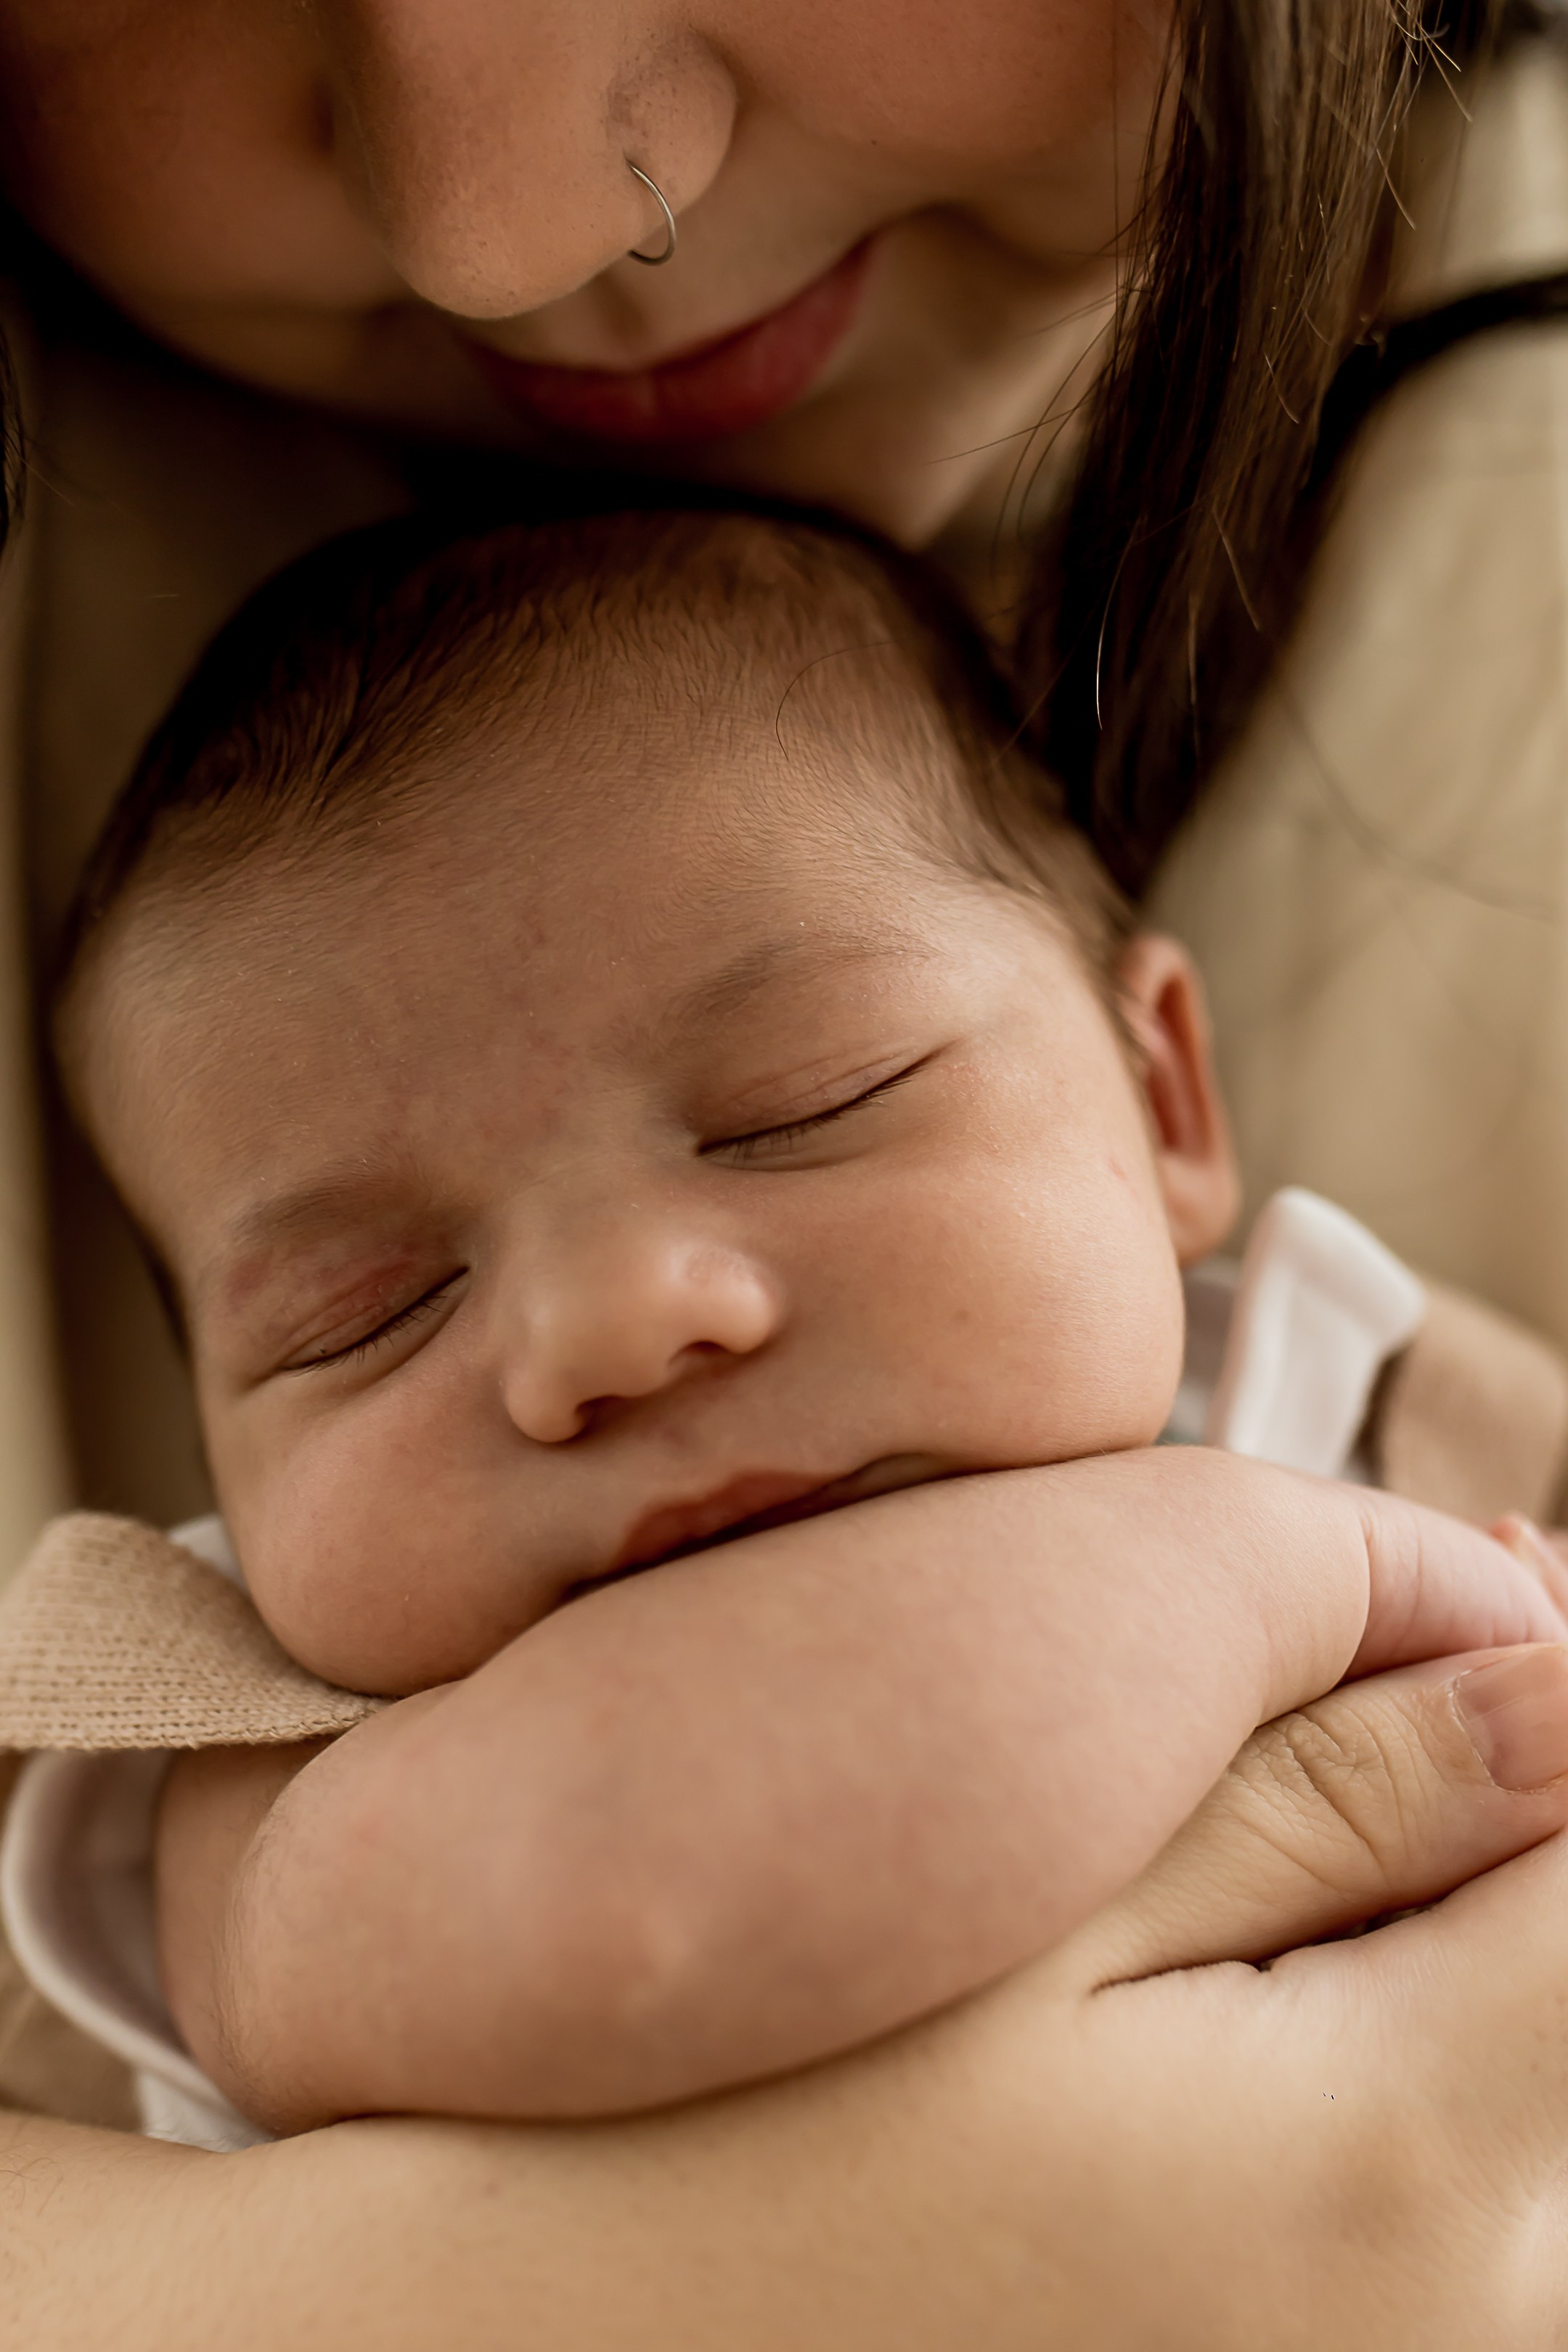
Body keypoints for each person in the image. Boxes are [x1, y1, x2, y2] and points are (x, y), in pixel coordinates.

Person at [0, 0, 1563, 2342]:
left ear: (1166, 1103)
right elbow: (641, 1910)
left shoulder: (1369, 1381)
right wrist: (1287, 1569)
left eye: (805, 1109)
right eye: (362, 1314)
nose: (613, 1320)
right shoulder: (253, 1770)